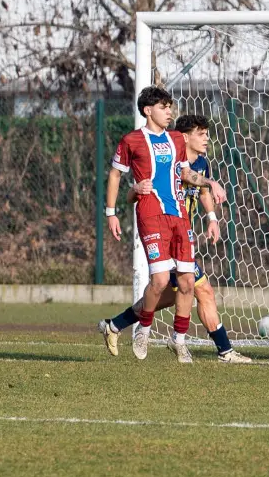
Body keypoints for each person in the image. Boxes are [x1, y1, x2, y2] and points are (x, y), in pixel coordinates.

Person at [98, 115, 251, 363]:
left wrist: (212, 218)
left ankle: (114, 325)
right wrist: (125, 199)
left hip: (181, 235)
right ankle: (223, 350)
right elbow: (133, 192)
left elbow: (202, 192)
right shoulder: (165, 163)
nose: (206, 139)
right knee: (199, 290)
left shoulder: (200, 164)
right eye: (201, 133)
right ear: (184, 137)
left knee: (169, 295)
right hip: (162, 233)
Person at [104, 86, 209, 362]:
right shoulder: (132, 141)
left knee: (187, 281)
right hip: (151, 214)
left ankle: (179, 340)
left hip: (179, 216)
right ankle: (143, 330)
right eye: (164, 107)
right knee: (161, 280)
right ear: (148, 110)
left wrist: (209, 182)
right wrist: (111, 212)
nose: (169, 111)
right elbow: (115, 174)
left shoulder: (176, 139)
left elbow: (184, 172)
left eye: (169, 106)